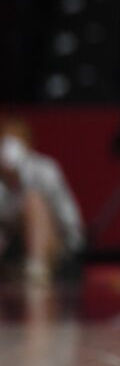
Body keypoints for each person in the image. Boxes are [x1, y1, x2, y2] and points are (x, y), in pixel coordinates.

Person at [0, 117, 85, 285]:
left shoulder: (45, 170)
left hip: (53, 245)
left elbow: (69, 221)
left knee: (33, 200)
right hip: (12, 245)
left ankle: (36, 269)